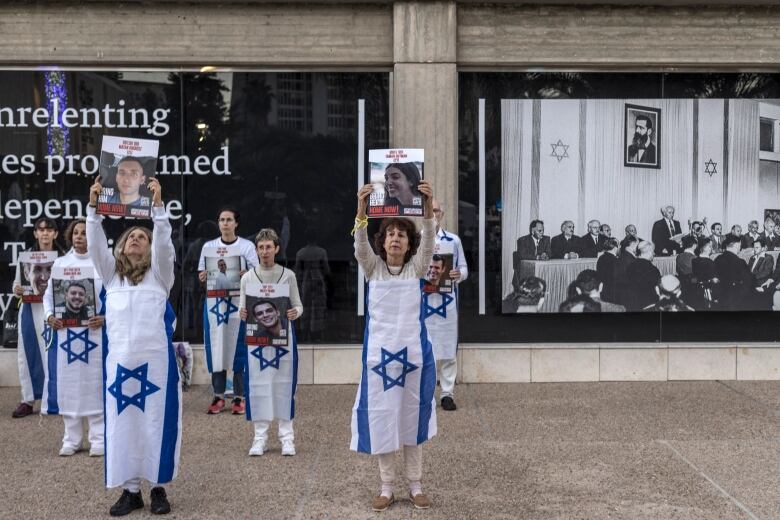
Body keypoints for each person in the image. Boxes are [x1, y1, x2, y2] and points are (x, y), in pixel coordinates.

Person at [87, 175, 179, 516]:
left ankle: (157, 488)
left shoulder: (160, 277)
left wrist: (158, 207)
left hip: (156, 364)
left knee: (155, 423)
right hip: (120, 365)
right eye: (131, 237)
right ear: (122, 247)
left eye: (143, 237)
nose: (137, 240)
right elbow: (96, 244)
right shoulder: (111, 277)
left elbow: (165, 247)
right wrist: (93, 208)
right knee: (123, 424)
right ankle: (130, 491)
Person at [351, 179, 436, 512]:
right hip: (380, 363)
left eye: (402, 234)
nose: (396, 238)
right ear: (382, 242)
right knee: (385, 421)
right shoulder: (373, 270)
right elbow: (359, 244)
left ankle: (415, 485)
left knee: (412, 422)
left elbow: (429, 241)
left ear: (408, 242)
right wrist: (361, 209)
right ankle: (386, 487)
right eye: (390, 234)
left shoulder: (416, 270)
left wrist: (427, 207)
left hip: (414, 359)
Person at [41, 219, 106, 457]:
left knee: (94, 384)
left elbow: (114, 296)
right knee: (69, 387)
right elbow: (48, 297)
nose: (80, 237)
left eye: (85, 233)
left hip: (95, 334)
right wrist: (49, 317)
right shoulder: (60, 263)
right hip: (66, 335)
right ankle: (72, 438)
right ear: (71, 236)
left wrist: (105, 316)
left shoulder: (102, 263)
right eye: (76, 233)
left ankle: (98, 438)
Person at [239, 228, 303, 458]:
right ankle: (260, 438)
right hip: (257, 343)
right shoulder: (247, 277)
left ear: (276, 248)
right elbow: (242, 308)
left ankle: (287, 437)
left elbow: (298, 304)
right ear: (256, 250)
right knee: (259, 388)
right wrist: (243, 313)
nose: (264, 251)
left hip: (283, 341)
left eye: (268, 247)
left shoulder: (288, 275)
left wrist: (296, 311)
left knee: (284, 386)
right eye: (261, 247)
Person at [198, 207, 259, 415]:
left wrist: (247, 273)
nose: (225, 223)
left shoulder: (247, 246)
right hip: (215, 305)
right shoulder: (209, 247)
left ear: (236, 223)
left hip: (238, 304)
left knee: (238, 348)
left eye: (229, 219)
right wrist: (203, 276)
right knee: (217, 347)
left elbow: (257, 272)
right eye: (222, 219)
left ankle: (239, 397)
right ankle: (218, 396)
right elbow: (202, 273)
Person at [11, 217, 63, 418]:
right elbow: (17, 286)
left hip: (54, 311)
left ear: (55, 234)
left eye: (49, 229)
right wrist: (17, 289)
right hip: (30, 310)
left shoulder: (63, 257)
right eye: (40, 230)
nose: (45, 233)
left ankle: (56, 399)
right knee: (28, 355)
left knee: (55, 354)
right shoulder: (26, 258)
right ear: (35, 233)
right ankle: (28, 399)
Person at [424, 198, 468, 412]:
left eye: (437, 210)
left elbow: (464, 268)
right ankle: (427, 393)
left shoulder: (453, 240)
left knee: (448, 349)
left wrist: (458, 274)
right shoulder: (416, 241)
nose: (433, 214)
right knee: (426, 349)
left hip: (447, 302)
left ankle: (447, 393)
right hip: (424, 303)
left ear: (442, 214)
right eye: (430, 210)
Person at [294, 229, 330, 342]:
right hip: (318, 280)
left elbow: (296, 271)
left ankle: (305, 335)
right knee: (318, 309)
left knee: (305, 308)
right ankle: (317, 336)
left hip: (305, 282)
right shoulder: (322, 252)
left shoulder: (301, 252)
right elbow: (327, 270)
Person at [714, 235, 752, 311]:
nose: (740, 247)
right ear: (736, 245)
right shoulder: (740, 262)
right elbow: (748, 281)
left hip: (720, 298)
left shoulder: (717, 259)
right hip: (737, 300)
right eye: (740, 245)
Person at [626, 241, 661, 311]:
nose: (654, 254)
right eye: (653, 251)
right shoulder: (653, 269)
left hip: (632, 304)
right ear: (649, 252)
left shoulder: (630, 266)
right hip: (649, 305)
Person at [691, 238, 719, 310]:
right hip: (708, 292)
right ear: (703, 248)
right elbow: (714, 280)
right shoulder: (710, 262)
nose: (711, 248)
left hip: (696, 291)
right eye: (709, 246)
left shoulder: (694, 261)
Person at [614, 236, 638, 306]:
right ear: (633, 244)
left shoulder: (624, 255)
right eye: (637, 244)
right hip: (629, 293)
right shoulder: (629, 258)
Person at [596, 238, 620, 303]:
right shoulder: (615, 261)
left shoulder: (601, 258)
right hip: (613, 294)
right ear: (615, 248)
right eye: (619, 245)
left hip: (603, 292)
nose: (620, 247)